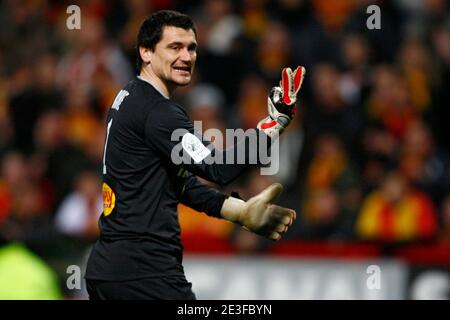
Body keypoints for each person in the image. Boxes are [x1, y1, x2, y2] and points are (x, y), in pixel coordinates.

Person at [85, 10, 305, 300]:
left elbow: (179, 184)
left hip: (110, 269)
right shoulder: (158, 111)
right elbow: (219, 169)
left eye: (192, 48)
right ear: (146, 52)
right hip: (146, 273)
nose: (187, 56)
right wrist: (273, 125)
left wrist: (237, 211)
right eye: (175, 47)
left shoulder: (129, 97)